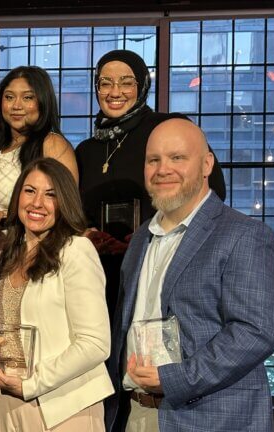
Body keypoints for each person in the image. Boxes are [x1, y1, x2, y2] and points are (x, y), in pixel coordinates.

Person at [106, 119, 274, 431]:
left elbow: (255, 331)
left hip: (214, 419)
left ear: (206, 164)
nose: (163, 169)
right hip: (137, 414)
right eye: (153, 160)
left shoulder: (244, 235)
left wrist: (173, 378)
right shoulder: (141, 238)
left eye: (177, 158)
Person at [74, 49, 226, 322]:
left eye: (126, 82)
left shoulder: (165, 128)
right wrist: (87, 232)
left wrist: (164, 232)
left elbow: (212, 188)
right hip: (100, 273)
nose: (115, 91)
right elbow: (75, 209)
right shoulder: (86, 150)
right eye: (105, 83)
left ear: (142, 85)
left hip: (160, 261)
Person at [0, 158, 113, 431]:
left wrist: (33, 382)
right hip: (6, 401)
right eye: (29, 191)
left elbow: (95, 343)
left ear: (65, 202)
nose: (37, 202)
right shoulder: (4, 258)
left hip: (62, 406)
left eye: (50, 194)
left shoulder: (76, 251)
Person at [0, 65, 78, 223]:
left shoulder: (52, 143)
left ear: (43, 102)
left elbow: (65, 208)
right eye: (9, 97)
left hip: (22, 243)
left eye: (28, 98)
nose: (16, 106)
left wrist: (4, 217)